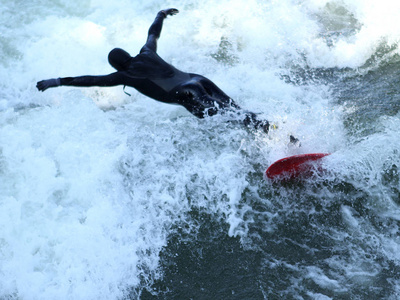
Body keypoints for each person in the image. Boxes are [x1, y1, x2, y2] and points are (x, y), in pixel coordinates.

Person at [37, 8, 269, 133]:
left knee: (225, 117)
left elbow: (90, 80)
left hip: (186, 93)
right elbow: (153, 33)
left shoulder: (124, 75)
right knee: (235, 110)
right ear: (128, 54)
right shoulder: (147, 51)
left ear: (117, 66)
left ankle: (269, 133)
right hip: (198, 79)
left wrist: (57, 81)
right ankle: (272, 127)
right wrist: (161, 14)